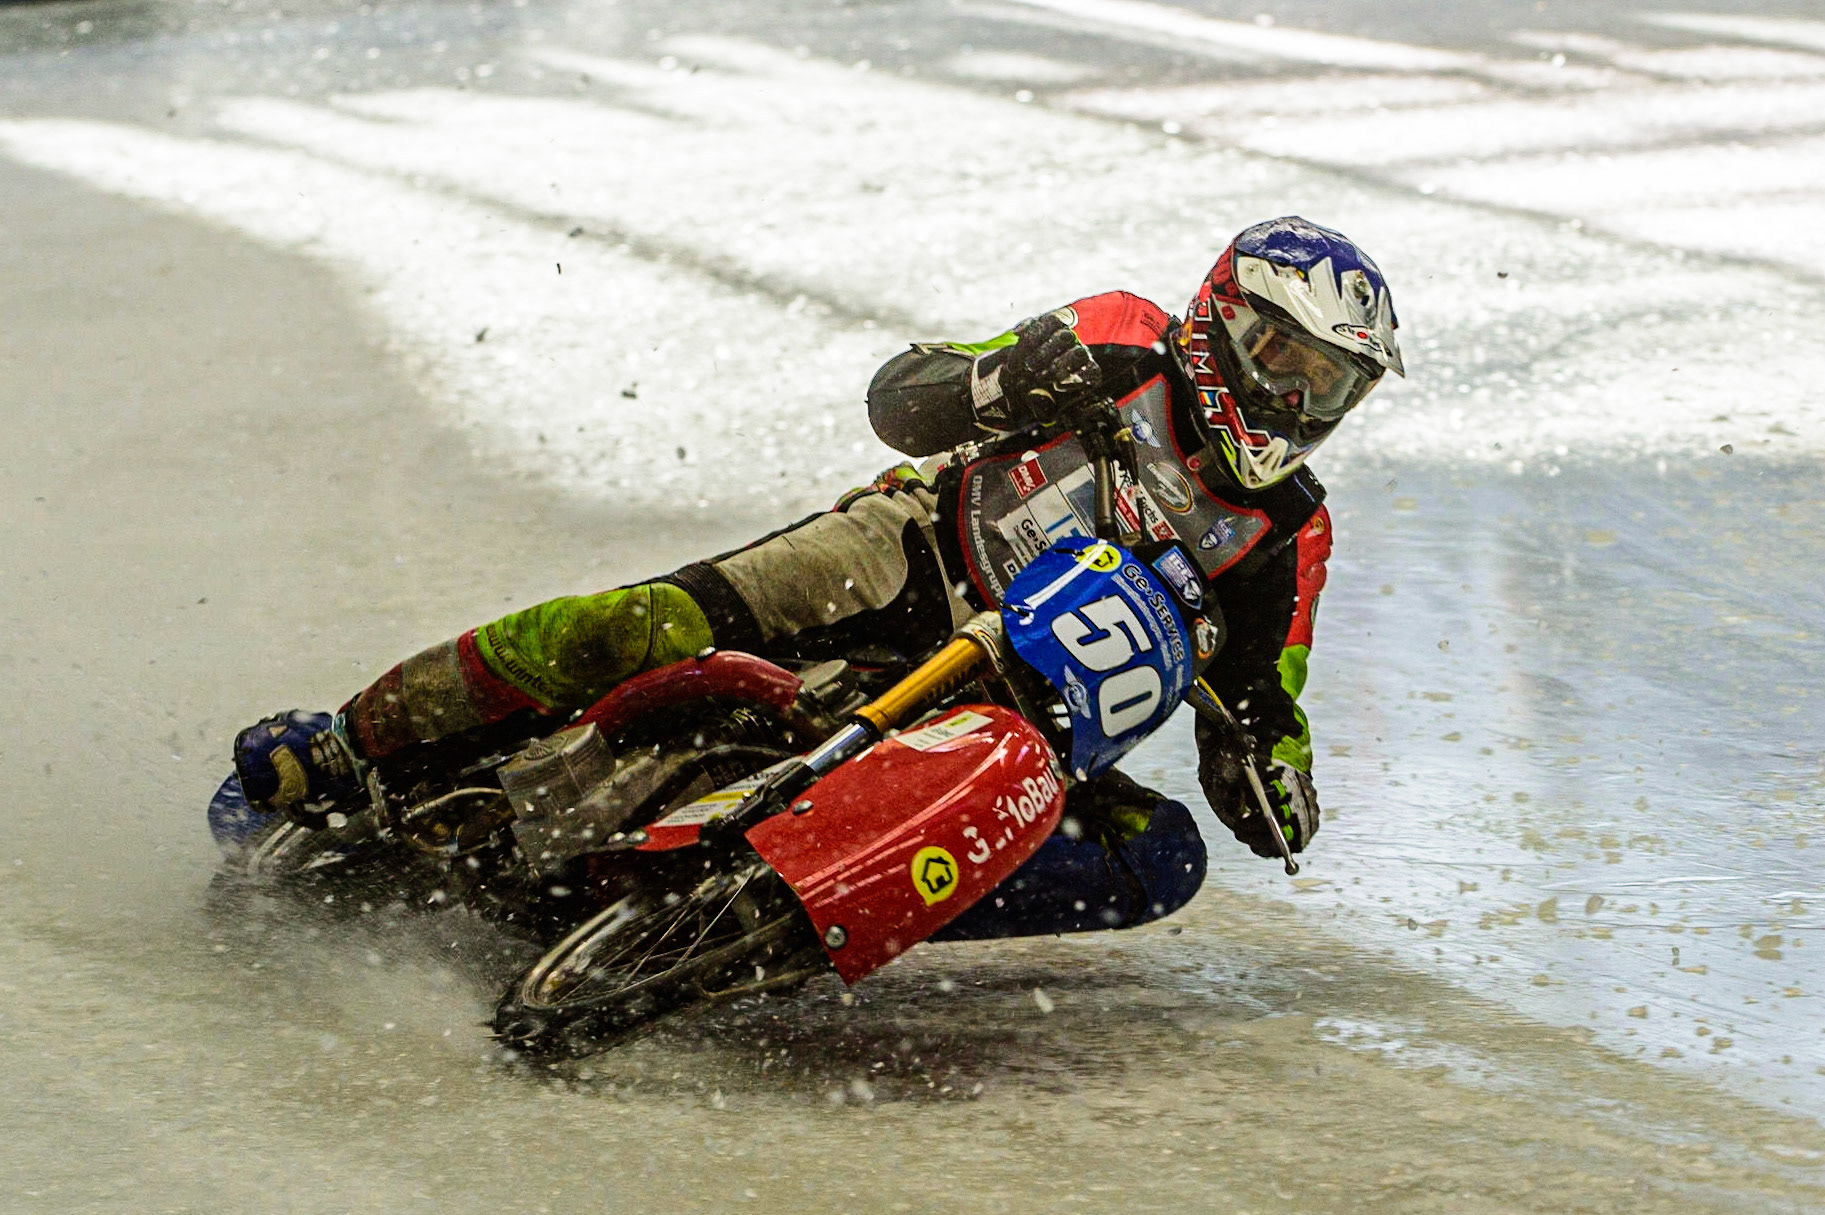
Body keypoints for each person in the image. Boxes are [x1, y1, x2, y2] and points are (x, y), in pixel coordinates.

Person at [214, 216, 1403, 938]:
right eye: (1282, 358)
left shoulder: (1290, 533)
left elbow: (1267, 698)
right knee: (651, 621)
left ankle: (800, 908)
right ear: (1220, 317)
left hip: (1024, 726)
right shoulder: (1116, 333)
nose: (1294, 401)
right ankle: (351, 742)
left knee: (1160, 860)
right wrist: (997, 386)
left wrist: (1275, 779)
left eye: (1327, 386)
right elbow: (905, 395)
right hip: (906, 557)